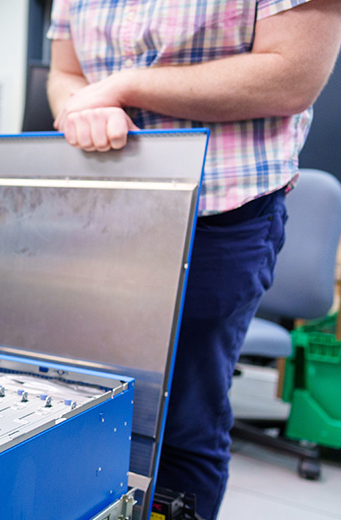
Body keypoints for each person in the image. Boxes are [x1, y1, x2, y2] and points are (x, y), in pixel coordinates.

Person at [46, 0, 341, 518]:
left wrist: (124, 87)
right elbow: (67, 72)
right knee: (77, 405)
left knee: (184, 422)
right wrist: (84, 106)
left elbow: (293, 74)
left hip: (218, 210)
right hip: (102, 208)